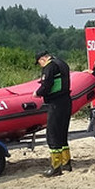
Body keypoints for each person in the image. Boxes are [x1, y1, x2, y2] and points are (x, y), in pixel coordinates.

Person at [34, 49, 73, 177]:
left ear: (42, 59)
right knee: (62, 134)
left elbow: (47, 85)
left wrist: (37, 93)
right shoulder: (62, 63)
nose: (41, 65)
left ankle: (56, 167)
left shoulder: (49, 67)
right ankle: (66, 163)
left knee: (52, 134)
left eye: (39, 63)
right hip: (66, 101)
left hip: (55, 103)